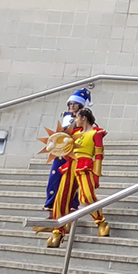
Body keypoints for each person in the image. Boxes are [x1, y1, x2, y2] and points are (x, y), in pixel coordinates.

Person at [44, 107, 108, 248]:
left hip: (85, 165)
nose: (76, 120)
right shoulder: (75, 133)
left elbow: (98, 155)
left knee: (86, 197)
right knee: (62, 198)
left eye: (77, 118)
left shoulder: (96, 133)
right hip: (71, 164)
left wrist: (97, 174)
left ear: (83, 118)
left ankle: (101, 222)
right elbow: (66, 149)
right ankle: (58, 232)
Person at [42, 89, 90, 219]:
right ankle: (52, 211)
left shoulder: (84, 118)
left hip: (74, 152)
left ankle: (69, 211)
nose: (72, 106)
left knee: (71, 182)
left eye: (75, 103)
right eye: (70, 103)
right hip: (62, 151)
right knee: (54, 179)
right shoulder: (66, 117)